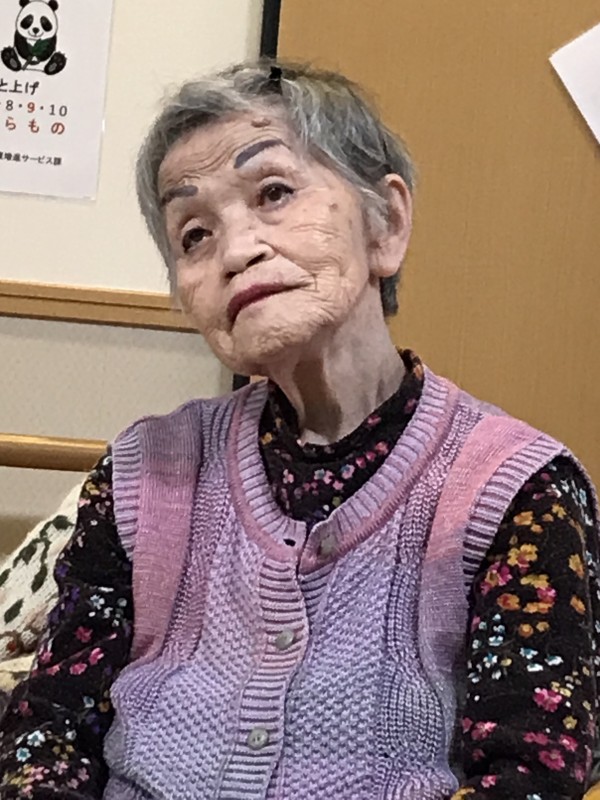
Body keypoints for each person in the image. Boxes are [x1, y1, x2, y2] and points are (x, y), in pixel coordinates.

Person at [0, 60, 598, 800]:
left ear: (386, 223)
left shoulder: (518, 488)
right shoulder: (141, 472)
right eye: (194, 234)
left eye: (274, 193)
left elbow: (528, 776)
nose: (235, 251)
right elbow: (50, 727)